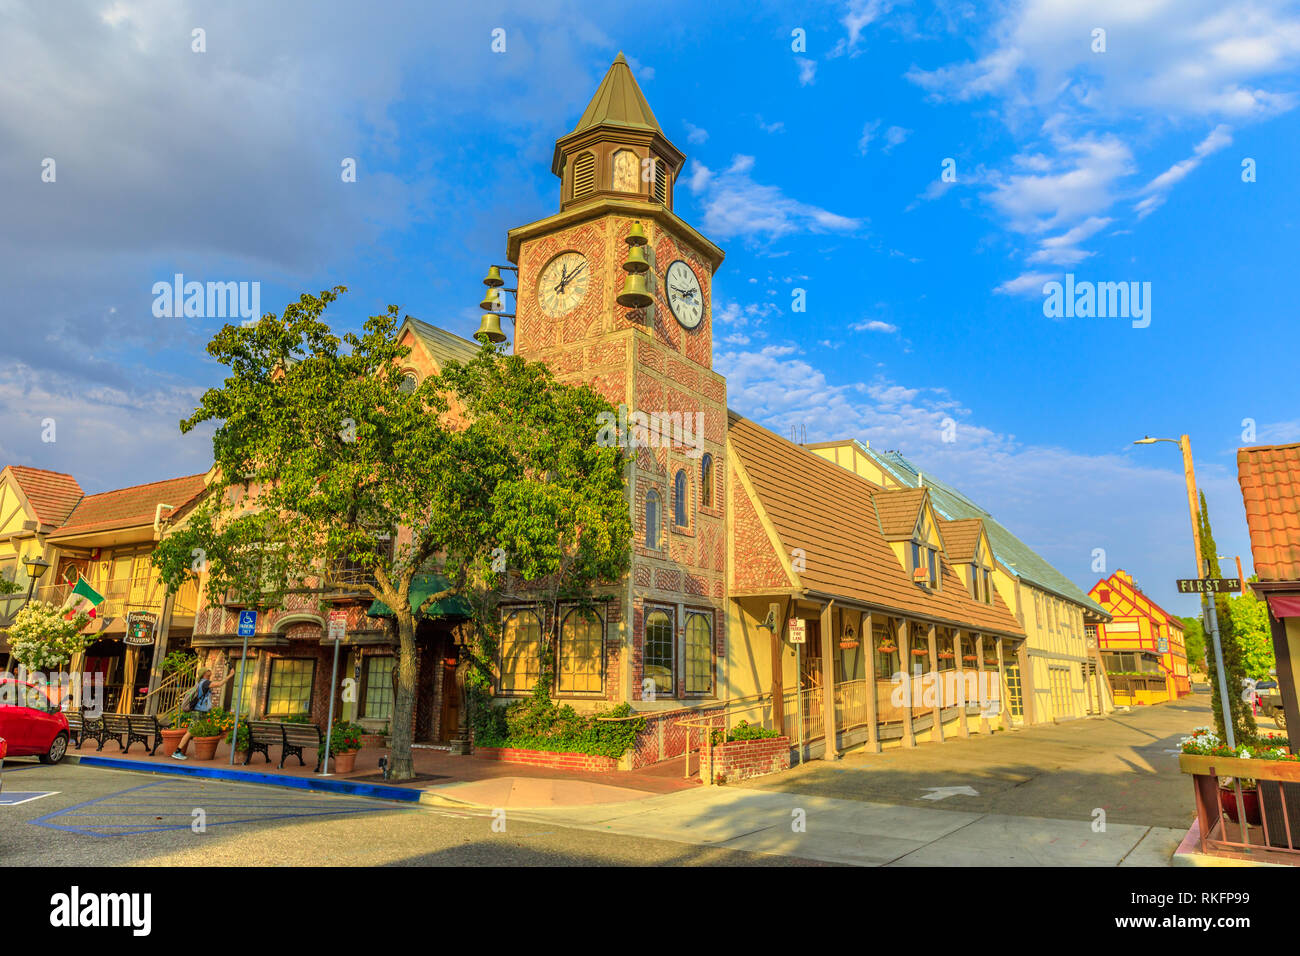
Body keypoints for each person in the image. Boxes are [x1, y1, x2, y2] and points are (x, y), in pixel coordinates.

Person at [171, 664, 233, 760]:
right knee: (190, 732)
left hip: (200, 711)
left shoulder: (201, 683)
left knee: (203, 729)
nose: (210, 671)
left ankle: (203, 753)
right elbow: (219, 684)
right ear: (204, 673)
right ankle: (177, 751)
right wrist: (230, 675)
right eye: (208, 670)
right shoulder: (205, 683)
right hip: (198, 712)